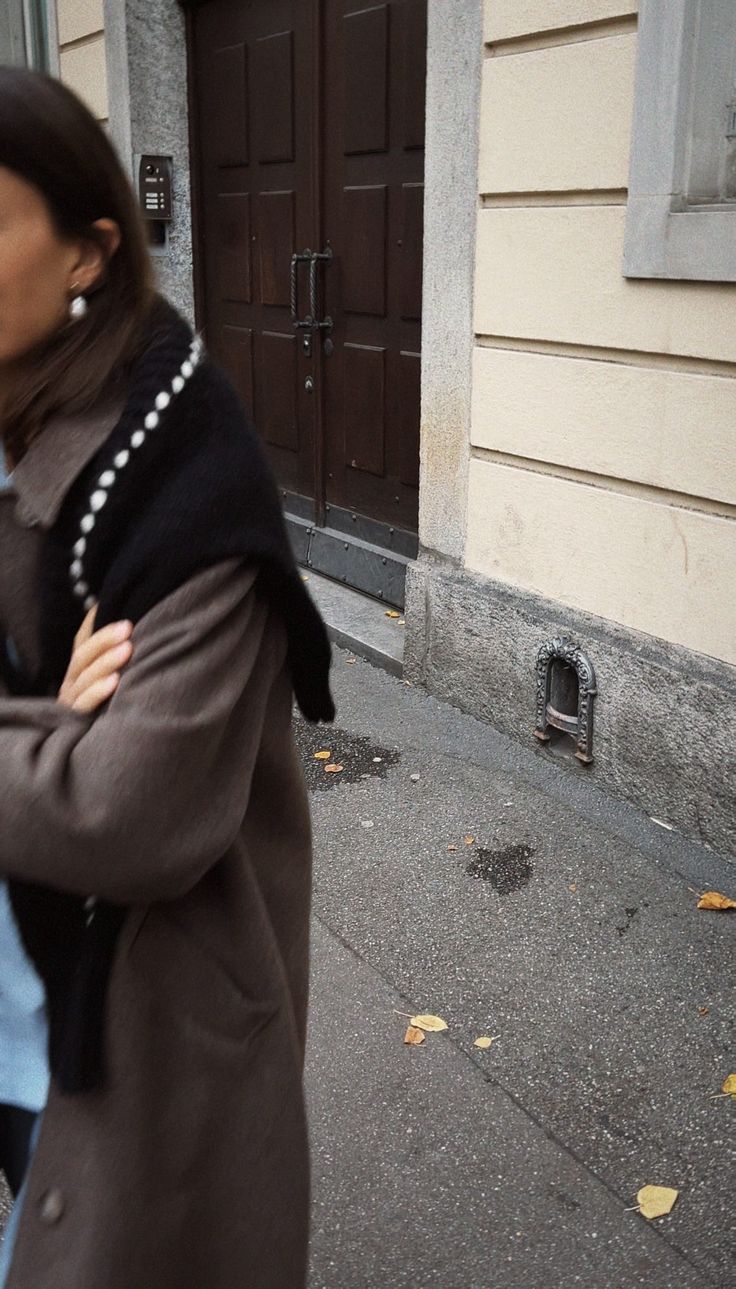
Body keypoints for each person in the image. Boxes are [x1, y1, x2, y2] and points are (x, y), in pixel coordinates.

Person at [0, 66, 334, 1289]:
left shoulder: (181, 490)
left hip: (126, 1030)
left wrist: (66, 752)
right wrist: (51, 721)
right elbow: (68, 773)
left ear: (88, 254)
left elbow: (128, 813)